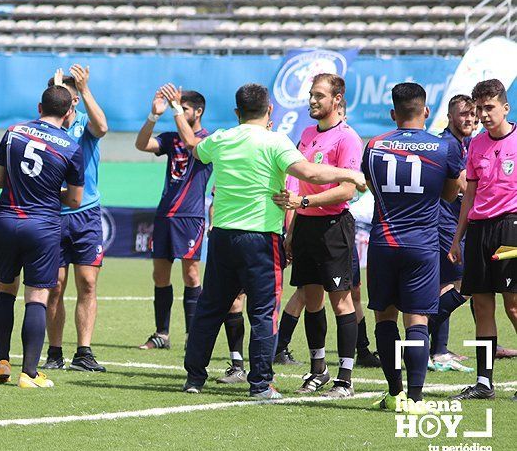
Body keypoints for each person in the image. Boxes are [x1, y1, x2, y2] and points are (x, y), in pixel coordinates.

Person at [172, 83, 366, 398]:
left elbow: (193, 144)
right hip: (260, 239)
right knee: (263, 312)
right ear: (270, 111)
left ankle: (194, 378)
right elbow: (309, 173)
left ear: (237, 112)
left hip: (221, 237)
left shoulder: (221, 138)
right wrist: (351, 176)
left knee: (210, 307)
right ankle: (260, 384)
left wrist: (178, 112)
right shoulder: (277, 141)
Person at [363, 82, 462, 413]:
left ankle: (394, 394)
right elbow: (452, 193)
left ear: (393, 113)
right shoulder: (443, 148)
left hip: (382, 242)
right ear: (426, 111)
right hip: (422, 244)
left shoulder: (374, 145)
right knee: (417, 320)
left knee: (385, 318)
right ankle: (417, 400)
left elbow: (372, 187)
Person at [271, 74, 363, 398]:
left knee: (342, 302)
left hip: (333, 228)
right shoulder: (307, 134)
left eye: (319, 95)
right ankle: (318, 369)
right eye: (311, 95)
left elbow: (347, 189)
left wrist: (305, 202)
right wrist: (291, 230)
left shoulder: (348, 138)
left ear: (337, 99)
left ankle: (346, 378)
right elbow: (295, 184)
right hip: (305, 227)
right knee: (311, 300)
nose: (312, 100)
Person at [0, 84, 84, 389]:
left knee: (5, 291)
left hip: (6, 220)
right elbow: (74, 201)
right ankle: (29, 373)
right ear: (69, 112)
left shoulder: (14, 132)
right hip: (42, 226)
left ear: (39, 107)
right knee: (37, 296)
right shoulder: (71, 146)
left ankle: (1, 361)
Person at [449, 79, 517, 401]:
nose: (484, 115)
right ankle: (484, 382)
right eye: (479, 109)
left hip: (510, 229)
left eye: (489, 108)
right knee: (482, 303)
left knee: (513, 305)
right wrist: (457, 238)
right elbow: (469, 195)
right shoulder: (475, 145)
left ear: (505, 107)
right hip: (478, 231)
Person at [134, 84, 212, 352]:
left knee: (191, 275)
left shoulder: (209, 140)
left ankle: (194, 335)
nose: (179, 111)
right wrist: (153, 116)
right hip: (165, 214)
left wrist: (175, 108)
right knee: (160, 275)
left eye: (185, 108)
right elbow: (141, 144)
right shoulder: (170, 138)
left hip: (190, 216)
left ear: (198, 112)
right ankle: (162, 334)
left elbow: (192, 143)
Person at [44, 65, 109, 372]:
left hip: (86, 215)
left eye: (71, 98)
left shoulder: (85, 123)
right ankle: (54, 353)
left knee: (88, 283)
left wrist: (83, 89)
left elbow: (104, 127)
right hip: (53, 214)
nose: (67, 104)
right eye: (62, 98)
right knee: (55, 286)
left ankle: (84, 352)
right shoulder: (45, 127)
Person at [427, 94, 475, 373]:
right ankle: (421, 335)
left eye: (472, 114)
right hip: (446, 224)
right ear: (450, 117)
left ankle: (439, 349)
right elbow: (464, 189)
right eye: (463, 115)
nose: (468, 119)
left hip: (454, 223)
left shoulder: (461, 143)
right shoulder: (449, 145)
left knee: (447, 285)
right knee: (463, 285)